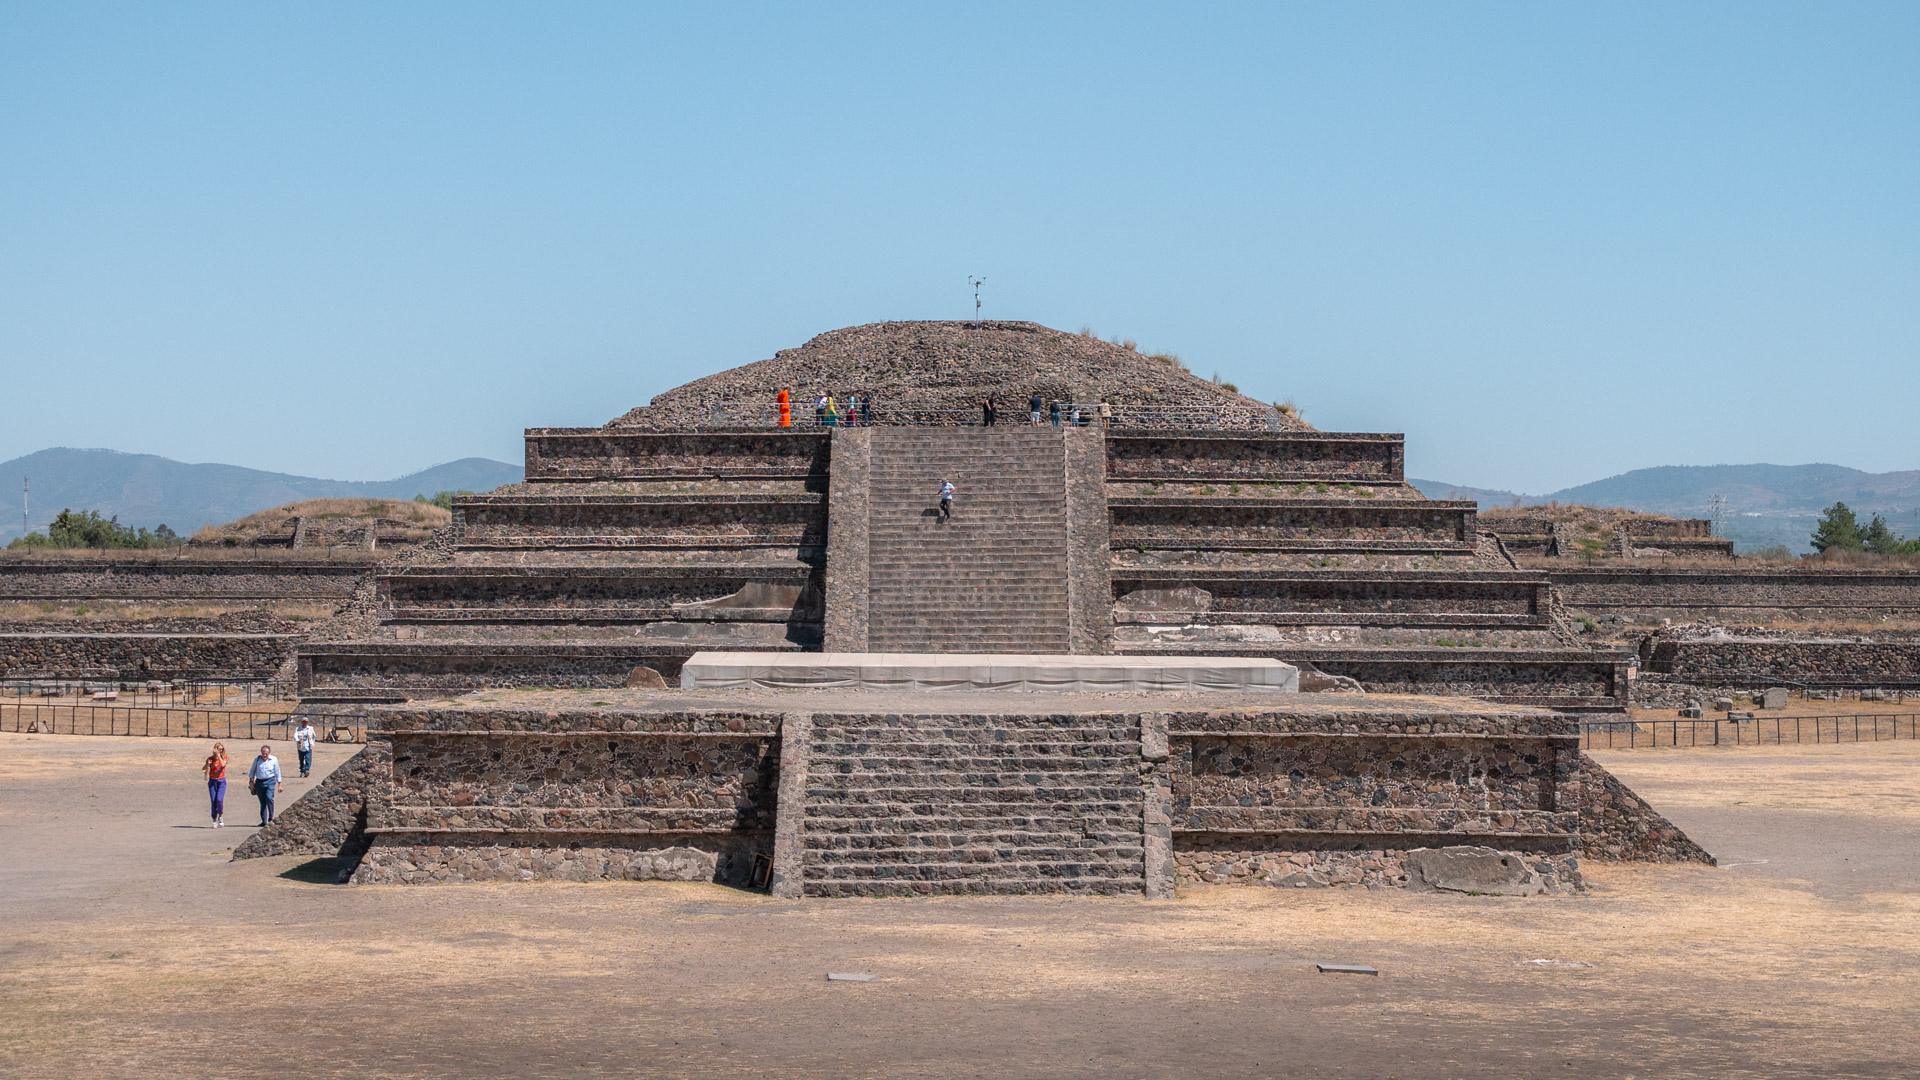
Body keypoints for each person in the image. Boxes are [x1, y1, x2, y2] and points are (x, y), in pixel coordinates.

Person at [247, 745, 283, 827]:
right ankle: (264, 821)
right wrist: (251, 783)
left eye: (266, 753)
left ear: (269, 753)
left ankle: (271, 817)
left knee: (269, 798)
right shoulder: (257, 760)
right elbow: (252, 772)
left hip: (270, 781)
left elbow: (277, 772)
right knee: (262, 802)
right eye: (263, 753)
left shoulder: (274, 759)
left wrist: (279, 784)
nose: (264, 755)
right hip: (259, 783)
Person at [201, 742, 228, 828]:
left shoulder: (224, 757)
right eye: (218, 749)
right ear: (215, 749)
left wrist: (219, 756)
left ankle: (220, 816)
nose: (220, 750)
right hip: (212, 782)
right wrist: (207, 764)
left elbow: (223, 764)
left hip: (221, 781)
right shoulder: (210, 759)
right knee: (213, 800)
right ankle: (214, 819)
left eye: (221, 749)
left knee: (219, 799)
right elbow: (203, 769)